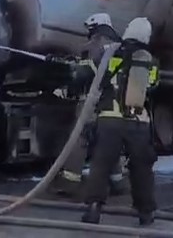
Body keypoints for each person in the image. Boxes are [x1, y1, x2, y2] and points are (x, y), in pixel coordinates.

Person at [81, 17, 160, 226]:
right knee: (142, 168)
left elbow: (90, 73)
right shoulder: (150, 60)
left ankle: (93, 209)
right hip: (138, 123)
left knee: (101, 165)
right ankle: (146, 213)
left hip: (109, 120)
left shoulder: (110, 52)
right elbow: (152, 87)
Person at [50, 13, 129, 197]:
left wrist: (67, 89)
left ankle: (69, 184)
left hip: (92, 103)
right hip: (115, 103)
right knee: (109, 141)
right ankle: (118, 183)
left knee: (80, 141)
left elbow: (84, 74)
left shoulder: (94, 45)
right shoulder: (121, 46)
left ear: (95, 27)